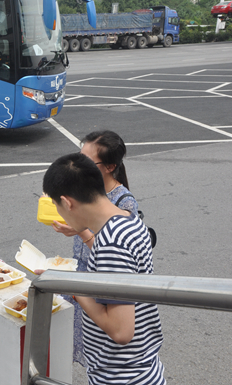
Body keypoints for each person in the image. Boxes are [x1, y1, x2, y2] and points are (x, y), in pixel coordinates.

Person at [40, 152, 165, 385]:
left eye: (57, 206)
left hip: (121, 376)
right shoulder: (125, 219)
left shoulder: (112, 243)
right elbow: (115, 264)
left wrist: (74, 289)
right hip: (143, 366)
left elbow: (121, 331)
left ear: (67, 202)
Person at [51, 130, 138, 366]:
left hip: (100, 287)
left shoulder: (118, 218)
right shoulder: (88, 197)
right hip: (88, 279)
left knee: (101, 343)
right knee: (89, 341)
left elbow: (121, 331)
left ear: (109, 167)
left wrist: (80, 229)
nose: (79, 165)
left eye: (87, 161)